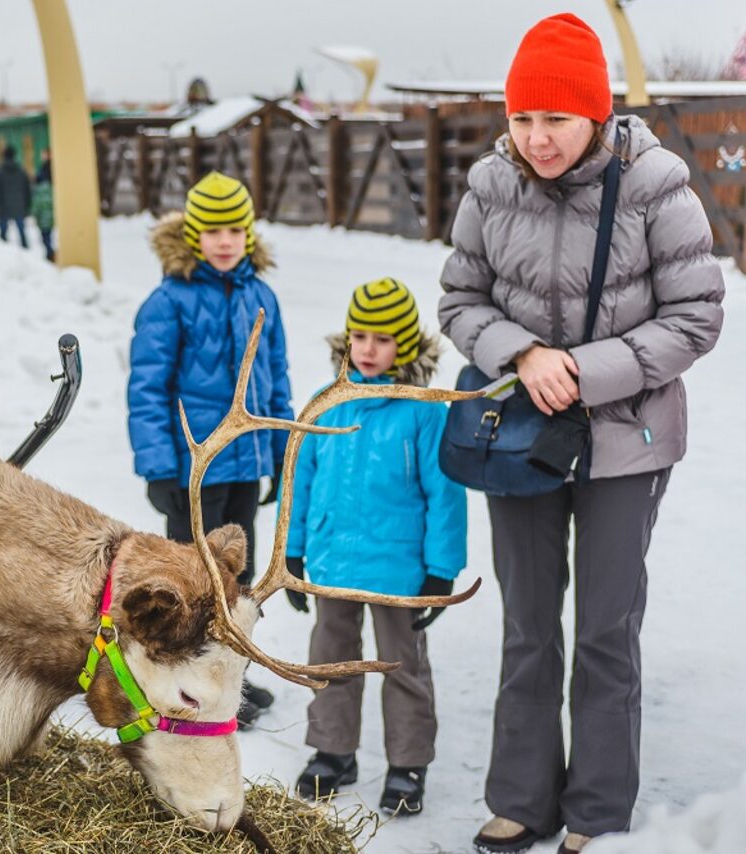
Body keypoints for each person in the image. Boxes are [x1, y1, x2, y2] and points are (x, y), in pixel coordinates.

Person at [438, 14, 724, 854]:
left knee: (605, 629)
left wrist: (581, 369)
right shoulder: (491, 184)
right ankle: (521, 798)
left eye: (555, 119)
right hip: (520, 440)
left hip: (627, 442)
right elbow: (459, 301)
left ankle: (597, 811)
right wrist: (522, 353)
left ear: (596, 114)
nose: (537, 138)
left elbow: (697, 315)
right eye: (522, 118)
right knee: (528, 626)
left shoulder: (656, 183)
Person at [286, 278, 466, 816]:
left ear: (404, 345)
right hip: (332, 562)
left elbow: (445, 495)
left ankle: (408, 763)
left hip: (398, 569)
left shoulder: (424, 411)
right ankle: (333, 751)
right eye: (360, 336)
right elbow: (300, 480)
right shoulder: (327, 403)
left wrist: (441, 569)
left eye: (383, 339)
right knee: (330, 659)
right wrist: (292, 550)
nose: (368, 349)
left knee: (401, 665)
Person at [127, 170, 292, 728]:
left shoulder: (261, 295)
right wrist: (158, 467)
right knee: (193, 585)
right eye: (213, 231)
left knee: (237, 583)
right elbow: (148, 388)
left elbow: (276, 379)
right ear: (194, 235)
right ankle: (184, 681)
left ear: (249, 234)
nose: (225, 242)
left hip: (245, 464)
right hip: (193, 473)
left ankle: (229, 676)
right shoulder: (168, 301)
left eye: (235, 231)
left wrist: (278, 452)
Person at [0, 145, 31, 248]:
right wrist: (27, 206)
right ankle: (25, 251)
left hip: (4, 207)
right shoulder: (21, 172)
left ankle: (3, 251)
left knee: (3, 235)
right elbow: (28, 190)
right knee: (22, 232)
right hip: (19, 206)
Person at [30, 150, 55, 261]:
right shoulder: (46, 167)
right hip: (49, 213)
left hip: (44, 214)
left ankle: (50, 252)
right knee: (47, 234)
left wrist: (35, 214)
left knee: (45, 235)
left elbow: (36, 205)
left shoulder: (48, 168)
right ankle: (50, 252)